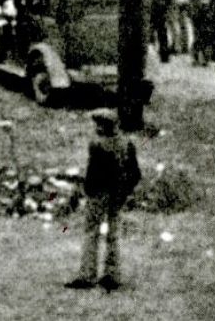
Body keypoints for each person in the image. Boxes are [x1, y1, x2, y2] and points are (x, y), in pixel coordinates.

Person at [65, 109, 141, 292]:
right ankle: (112, 275)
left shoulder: (97, 145)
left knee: (91, 232)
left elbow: (92, 174)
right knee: (113, 234)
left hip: (98, 194)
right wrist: (125, 192)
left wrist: (86, 191)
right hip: (118, 195)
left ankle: (87, 275)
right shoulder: (127, 143)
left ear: (102, 126)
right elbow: (136, 173)